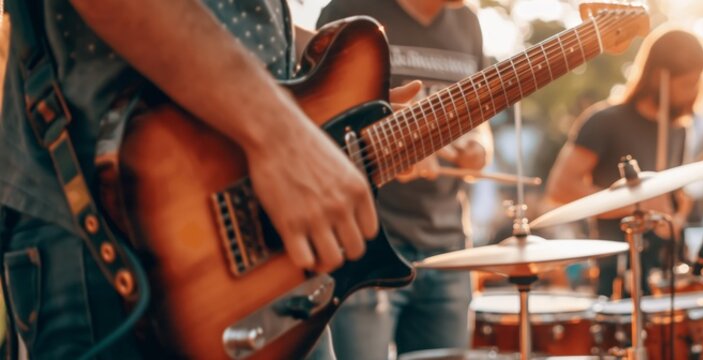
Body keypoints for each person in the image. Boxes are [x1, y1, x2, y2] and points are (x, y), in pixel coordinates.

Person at [0, 1, 420, 358]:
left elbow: (241, 21)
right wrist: (282, 135)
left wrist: (346, 98)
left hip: (268, 262)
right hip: (114, 230)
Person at [312, 0, 491, 358]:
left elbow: (479, 118)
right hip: (365, 249)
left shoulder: (468, 23)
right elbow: (314, 119)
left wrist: (479, 150)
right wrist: (393, 148)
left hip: (448, 249)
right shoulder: (348, 10)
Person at [545, 28, 703, 298]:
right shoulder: (604, 121)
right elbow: (560, 188)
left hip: (664, 274)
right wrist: (637, 204)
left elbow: (670, 199)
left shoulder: (679, 130)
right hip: (616, 272)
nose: (694, 91)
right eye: (687, 83)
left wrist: (677, 214)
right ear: (659, 77)